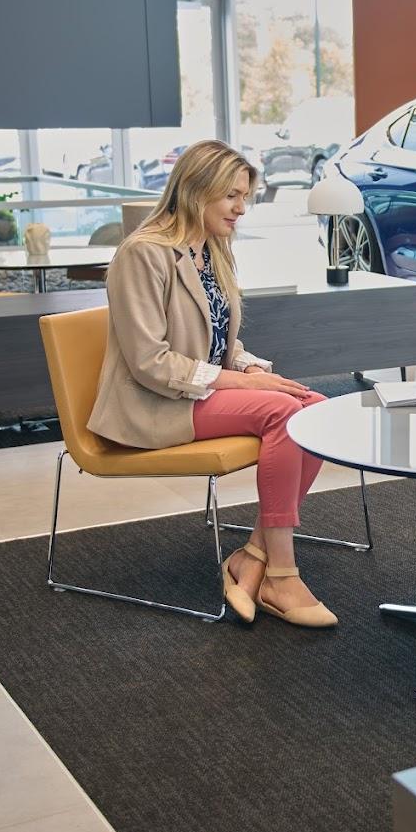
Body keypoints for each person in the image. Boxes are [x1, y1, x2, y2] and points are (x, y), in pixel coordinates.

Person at [88, 139, 336, 628]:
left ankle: (252, 556)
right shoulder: (142, 253)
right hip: (152, 402)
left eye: (245, 197)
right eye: (232, 196)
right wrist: (238, 385)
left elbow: (218, 338)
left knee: (317, 407)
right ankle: (281, 573)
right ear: (196, 189)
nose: (242, 209)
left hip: (196, 390)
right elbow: (148, 361)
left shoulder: (210, 249)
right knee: (283, 413)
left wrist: (249, 370)